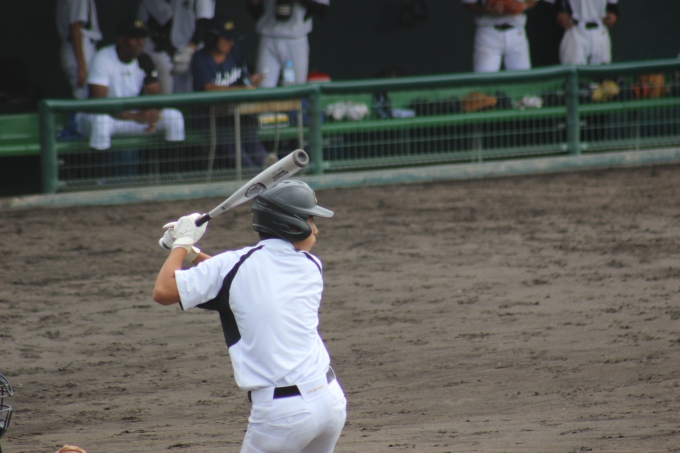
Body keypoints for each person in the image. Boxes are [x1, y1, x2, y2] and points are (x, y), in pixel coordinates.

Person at [152, 180, 347, 453]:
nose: (315, 229)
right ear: (291, 225)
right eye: (310, 220)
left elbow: (164, 291)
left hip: (282, 416)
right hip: (331, 401)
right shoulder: (311, 265)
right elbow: (234, 279)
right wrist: (192, 253)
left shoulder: (234, 266)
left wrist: (182, 245)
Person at [75, 19, 185, 151]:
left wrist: (152, 114)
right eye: (134, 37)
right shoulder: (103, 58)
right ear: (121, 39)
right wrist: (136, 116)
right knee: (101, 122)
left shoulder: (144, 60)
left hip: (130, 117)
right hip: (99, 118)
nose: (140, 42)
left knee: (174, 117)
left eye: (142, 37)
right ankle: (99, 164)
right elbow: (99, 105)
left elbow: (156, 96)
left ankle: (174, 163)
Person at [191, 19, 274, 168]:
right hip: (211, 117)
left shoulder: (235, 52)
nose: (231, 43)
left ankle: (270, 167)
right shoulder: (200, 58)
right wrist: (240, 89)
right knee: (235, 148)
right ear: (212, 39)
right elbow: (208, 88)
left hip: (237, 112)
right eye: (227, 39)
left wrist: (250, 81)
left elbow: (243, 81)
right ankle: (254, 174)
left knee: (253, 141)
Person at [245, 0, 330, 88]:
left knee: (297, 88)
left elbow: (323, 10)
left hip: (296, 37)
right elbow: (254, 11)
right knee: (263, 87)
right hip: (268, 37)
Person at [137, 0, 216, 93]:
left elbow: (204, 22)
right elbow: (168, 22)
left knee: (196, 89)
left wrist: (190, 48)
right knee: (179, 91)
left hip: (197, 51)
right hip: (178, 49)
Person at [461, 0, 537, 73]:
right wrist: (484, 10)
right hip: (488, 33)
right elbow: (468, 3)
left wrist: (523, 6)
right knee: (485, 79)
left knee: (522, 79)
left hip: (516, 31)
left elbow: (533, 1)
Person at [543, 0, 618, 65]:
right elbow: (547, 2)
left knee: (602, 74)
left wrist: (614, 14)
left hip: (600, 29)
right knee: (574, 72)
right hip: (576, 29)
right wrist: (557, 15)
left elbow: (613, 5)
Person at [56, 0, 102, 99]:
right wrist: (81, 66)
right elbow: (75, 26)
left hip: (76, 46)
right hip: (80, 48)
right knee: (83, 96)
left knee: (86, 95)